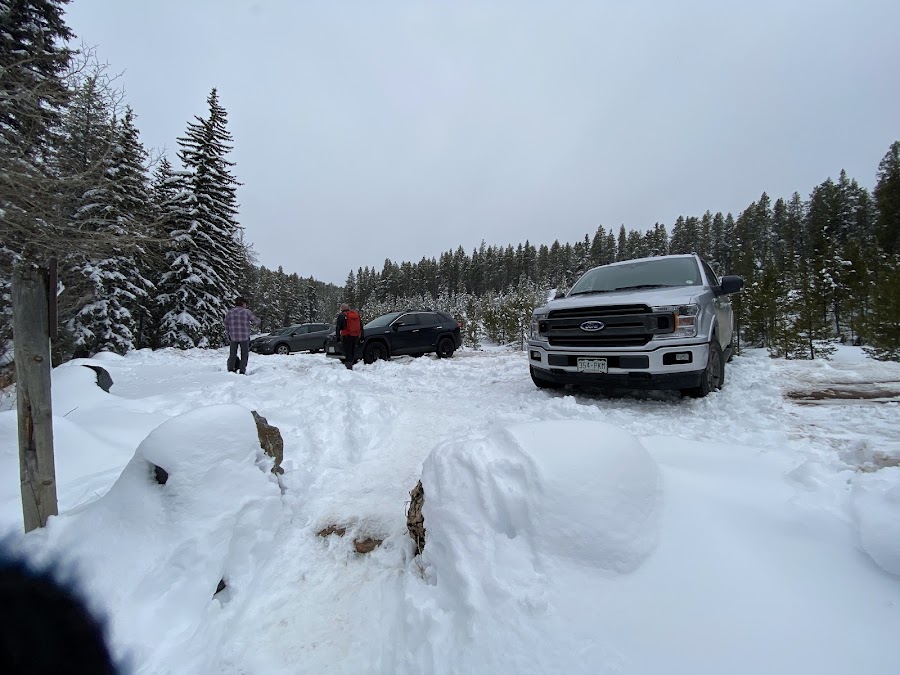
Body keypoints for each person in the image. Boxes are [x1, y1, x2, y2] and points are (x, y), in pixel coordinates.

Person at [224, 297, 260, 374]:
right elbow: (256, 321)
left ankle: (230, 370)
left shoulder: (230, 312)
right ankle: (242, 370)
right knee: (244, 354)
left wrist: (228, 335)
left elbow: (226, 324)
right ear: (243, 303)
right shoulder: (247, 312)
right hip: (244, 336)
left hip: (233, 336)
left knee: (232, 354)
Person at [335, 303, 362, 370]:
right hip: (355, 335)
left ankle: (348, 366)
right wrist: (361, 335)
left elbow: (338, 327)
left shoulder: (342, 315)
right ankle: (351, 363)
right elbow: (361, 326)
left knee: (347, 350)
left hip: (346, 335)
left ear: (342, 308)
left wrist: (338, 336)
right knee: (352, 350)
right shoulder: (355, 314)